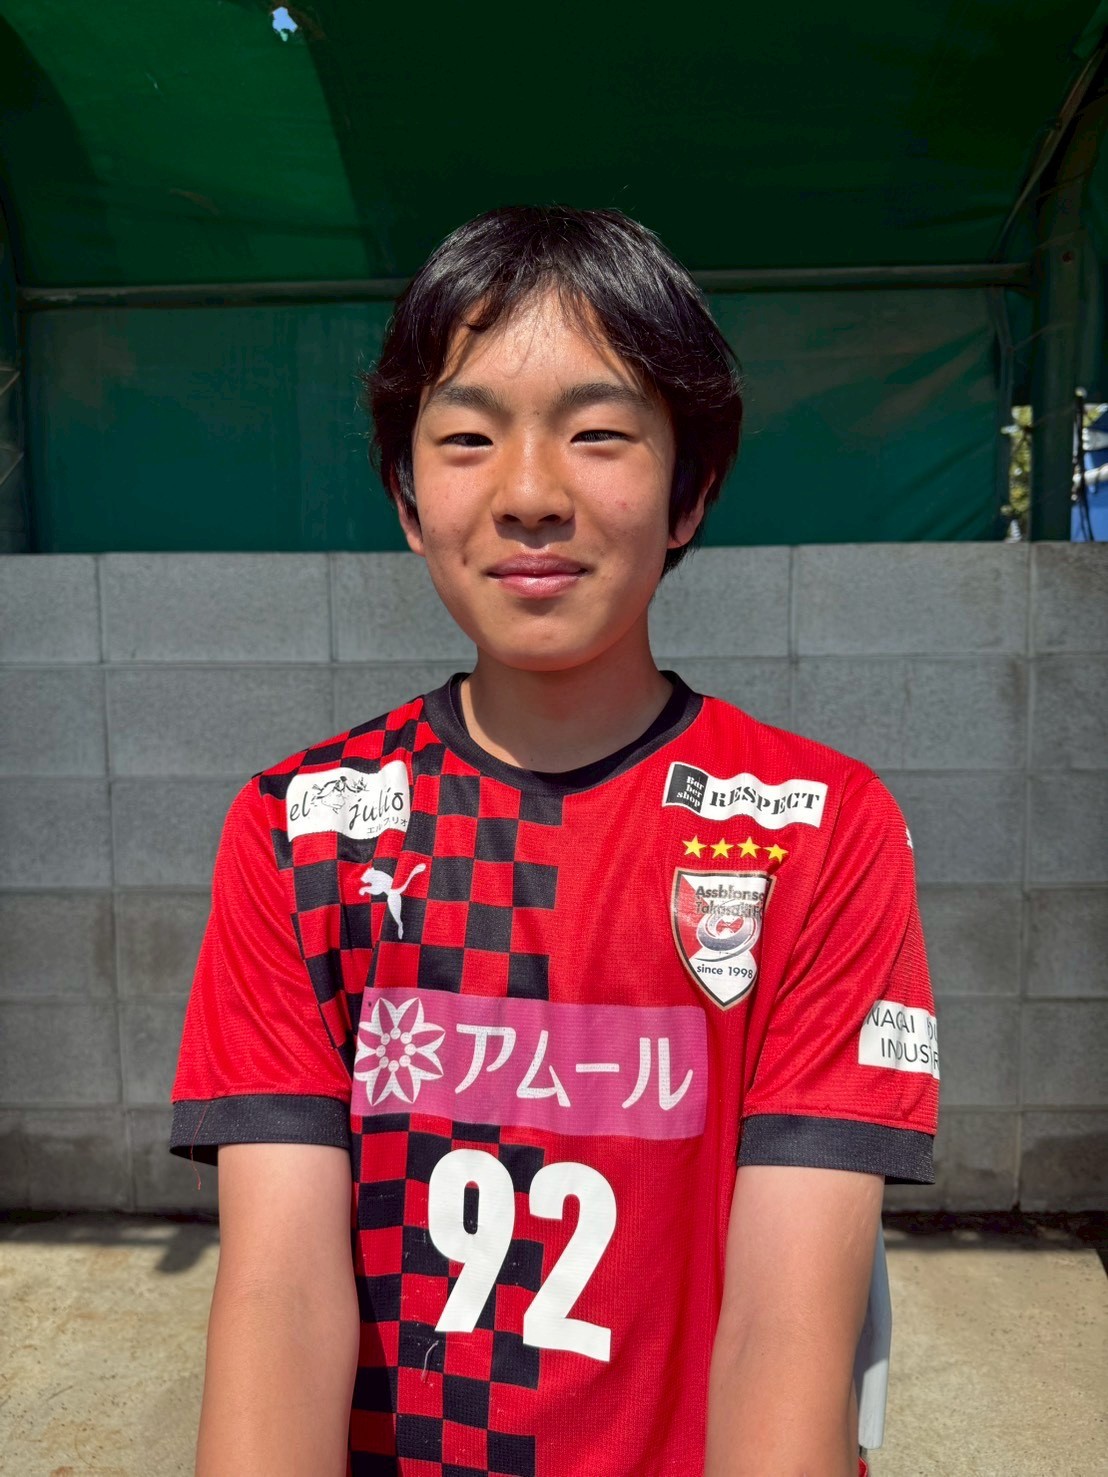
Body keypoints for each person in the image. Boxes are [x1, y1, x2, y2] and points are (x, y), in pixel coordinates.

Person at [171, 205, 939, 1477]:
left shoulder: (817, 827)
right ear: (406, 495)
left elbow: (786, 1326)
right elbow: (280, 1299)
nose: (529, 495)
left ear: (689, 490)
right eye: (467, 439)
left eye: (597, 435)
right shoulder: (298, 830)